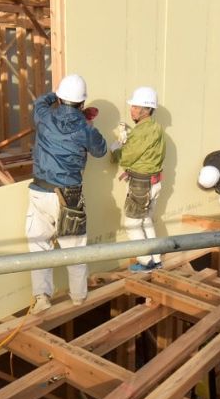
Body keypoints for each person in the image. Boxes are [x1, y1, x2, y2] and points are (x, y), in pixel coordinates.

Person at [26, 74, 107, 313]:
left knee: (39, 247)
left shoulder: (44, 117)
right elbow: (101, 151)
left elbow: (40, 102)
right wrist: (89, 125)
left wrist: (54, 95)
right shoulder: (85, 128)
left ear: (60, 98)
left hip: (40, 191)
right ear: (82, 104)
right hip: (69, 196)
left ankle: (42, 297)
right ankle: (79, 297)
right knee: (75, 248)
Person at [111, 87, 166, 272]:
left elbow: (125, 157)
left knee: (132, 223)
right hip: (153, 182)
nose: (131, 110)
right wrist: (132, 170)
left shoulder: (142, 131)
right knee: (146, 220)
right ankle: (156, 259)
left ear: (146, 110)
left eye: (135, 107)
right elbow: (147, 157)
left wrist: (116, 147)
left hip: (141, 186)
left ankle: (146, 262)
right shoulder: (156, 127)